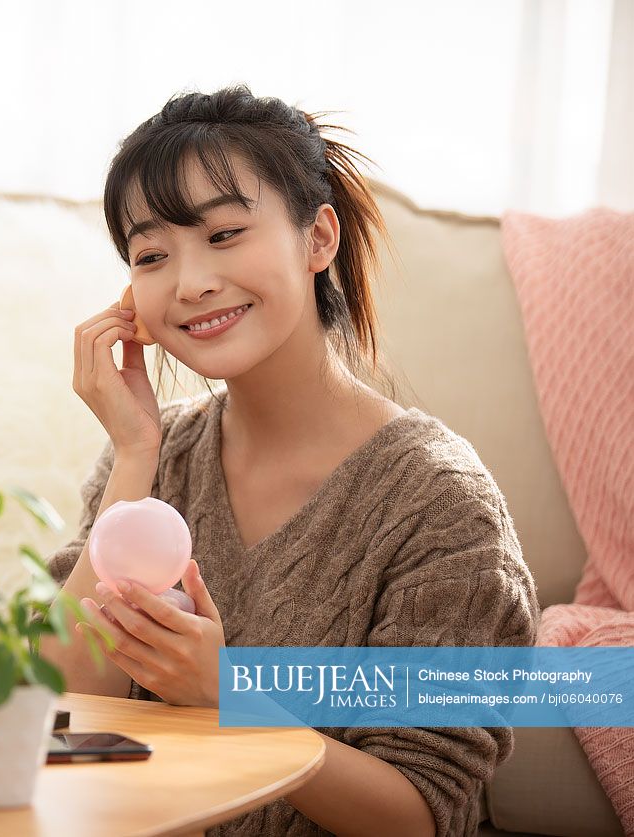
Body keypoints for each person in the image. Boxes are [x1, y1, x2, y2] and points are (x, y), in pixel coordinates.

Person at [40, 84, 541, 837]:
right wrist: (136, 451)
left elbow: (419, 813)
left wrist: (229, 694)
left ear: (318, 239)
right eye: (151, 254)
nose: (189, 282)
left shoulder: (438, 499)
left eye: (223, 234)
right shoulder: (151, 459)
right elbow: (63, 709)